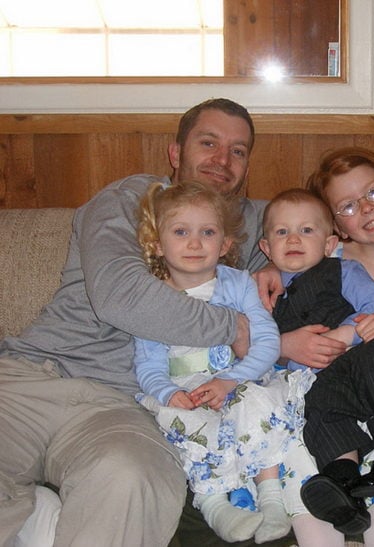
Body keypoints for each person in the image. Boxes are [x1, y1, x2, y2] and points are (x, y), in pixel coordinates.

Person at [0, 97, 264, 546]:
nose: (223, 160)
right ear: (176, 153)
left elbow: (344, 207)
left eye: (238, 151)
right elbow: (120, 298)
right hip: (31, 379)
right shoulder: (131, 198)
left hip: (123, 406)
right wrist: (234, 327)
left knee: (135, 477)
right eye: (208, 143)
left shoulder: (253, 225)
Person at [133, 180, 313, 544]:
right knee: (191, 424)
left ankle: (272, 498)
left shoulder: (238, 283)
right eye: (181, 231)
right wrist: (168, 393)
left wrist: (233, 378)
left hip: (237, 376)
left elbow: (266, 341)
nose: (195, 242)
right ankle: (215, 505)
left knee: (258, 404)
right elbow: (148, 363)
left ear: (225, 244)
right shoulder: (151, 296)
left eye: (208, 232)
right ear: (157, 244)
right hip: (184, 386)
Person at [256, 187, 374, 538]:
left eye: (306, 230)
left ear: (329, 245)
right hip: (316, 385)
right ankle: (342, 487)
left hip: (361, 367)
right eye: (282, 232)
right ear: (266, 248)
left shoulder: (343, 270)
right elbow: (248, 348)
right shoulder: (260, 291)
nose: (293, 239)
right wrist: (284, 349)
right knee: (317, 418)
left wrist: (344, 335)